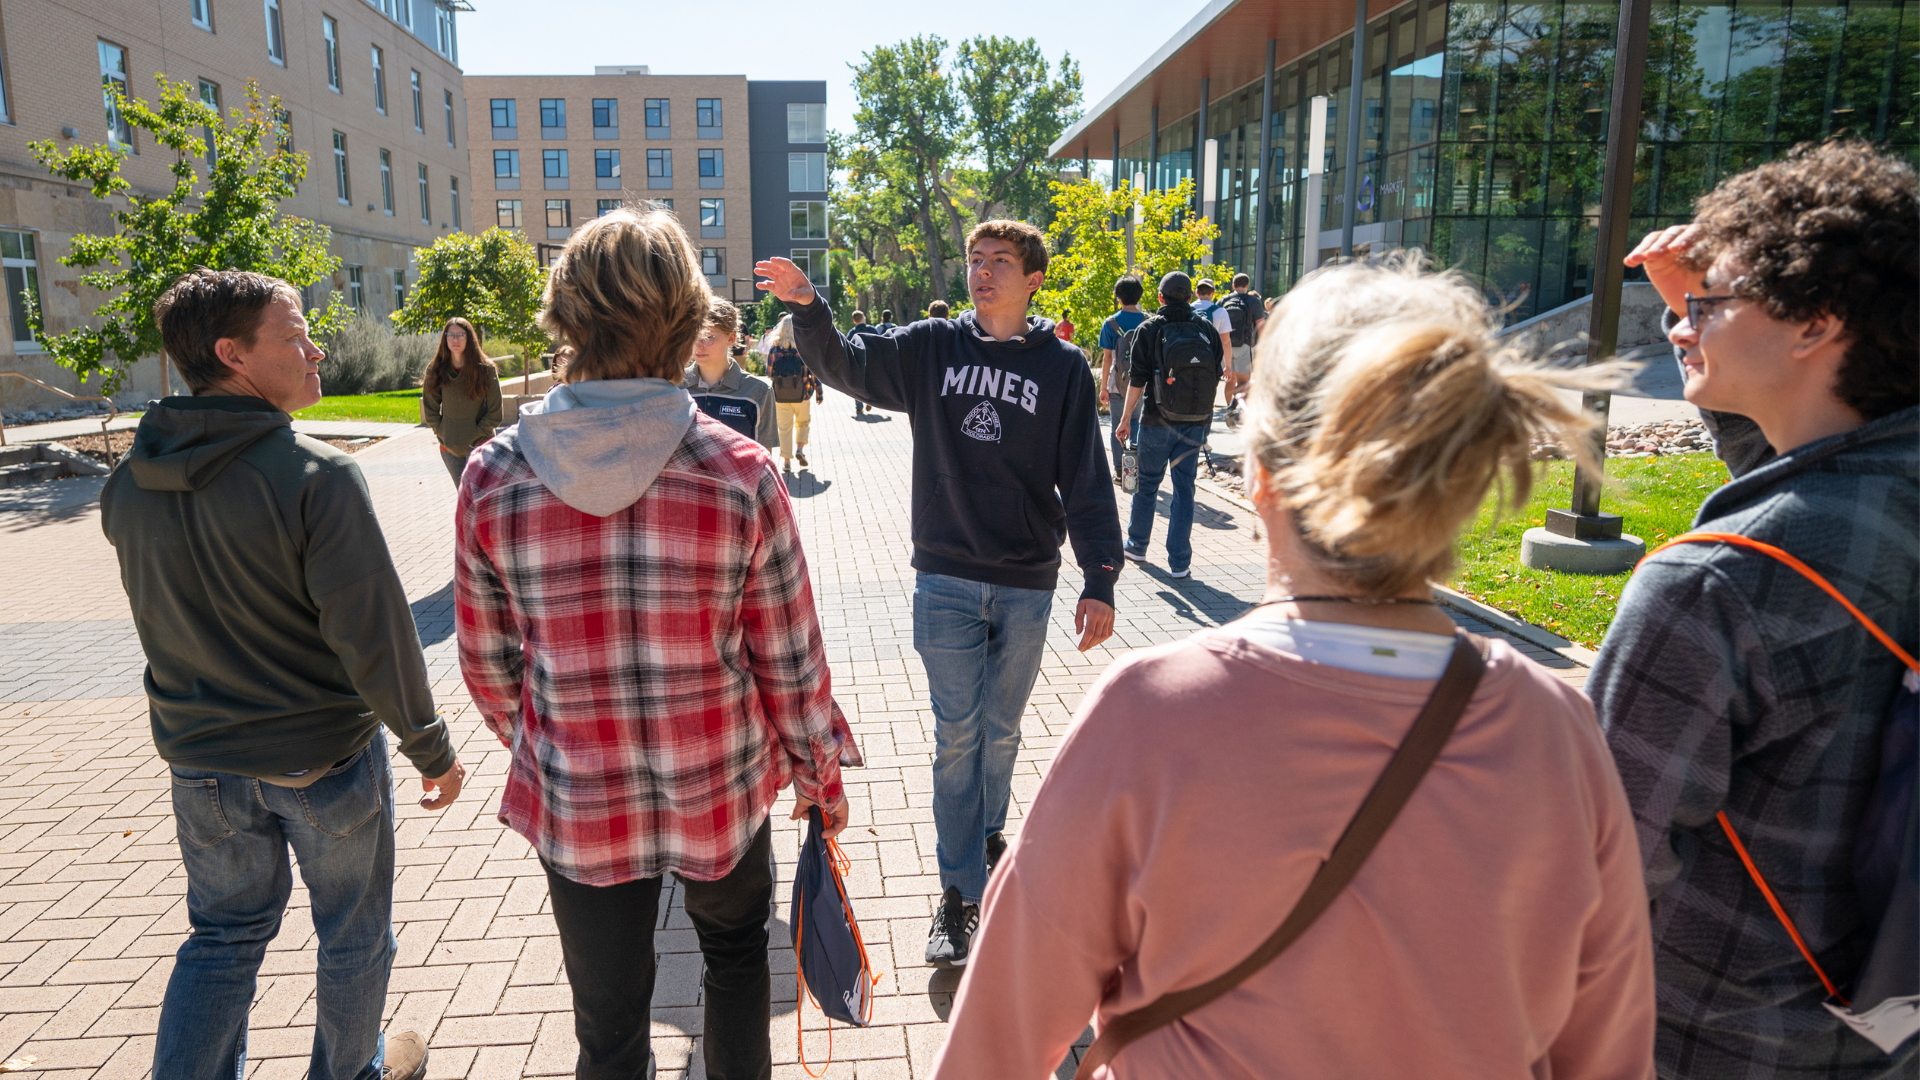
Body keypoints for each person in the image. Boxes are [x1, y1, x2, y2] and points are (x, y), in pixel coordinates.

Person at [932, 258, 1656, 1079]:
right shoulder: (1558, 731)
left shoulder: (1151, 716)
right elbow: (1610, 1054)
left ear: (1264, 475)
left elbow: (998, 1039)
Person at [456, 208, 857, 1080]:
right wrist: (818, 772)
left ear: (564, 315)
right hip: (720, 781)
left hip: (581, 799)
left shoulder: (492, 475)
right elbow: (788, 660)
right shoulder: (739, 472)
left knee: (607, 1028)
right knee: (738, 962)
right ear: (685, 319)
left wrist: (558, 737)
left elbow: (489, 670)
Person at [1590, 140, 1918, 1078]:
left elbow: (1596, 866)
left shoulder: (1711, 587)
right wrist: (1707, 308)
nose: (1683, 327)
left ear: (1816, 322)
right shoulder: (1881, 501)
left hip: (1711, 1035)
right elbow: (1807, 481)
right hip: (1882, 1024)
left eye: (1709, 305)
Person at [103, 268, 466, 1080]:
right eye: (295, 334)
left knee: (223, 937)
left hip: (201, 766)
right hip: (320, 761)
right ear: (232, 353)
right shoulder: (317, 476)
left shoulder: (128, 481)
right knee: (354, 933)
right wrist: (430, 746)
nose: (317, 348)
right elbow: (372, 632)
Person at [756, 218, 1123, 970]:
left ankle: (986, 832)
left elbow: (1086, 477)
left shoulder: (1063, 368)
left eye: (1000, 262)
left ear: (1034, 280)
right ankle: (959, 895)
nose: (983, 272)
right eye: (974, 259)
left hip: (1026, 583)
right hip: (947, 576)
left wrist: (1101, 578)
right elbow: (850, 363)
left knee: (1003, 730)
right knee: (959, 736)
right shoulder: (932, 348)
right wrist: (807, 307)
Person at [1114, 272, 1225, 579]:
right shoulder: (1206, 329)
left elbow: (1138, 378)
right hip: (1194, 423)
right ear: (1190, 297)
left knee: (1147, 485)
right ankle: (1180, 562)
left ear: (1160, 297)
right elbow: (1217, 373)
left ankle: (1137, 544)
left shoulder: (1150, 328)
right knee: (1184, 490)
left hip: (1156, 421)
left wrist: (1125, 420)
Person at [684, 297, 776, 449]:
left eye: (708, 337)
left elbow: (764, 462)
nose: (698, 346)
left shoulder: (758, 392)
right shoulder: (675, 387)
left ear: (731, 338)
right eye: (693, 336)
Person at [421, 317, 504, 484]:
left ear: (470, 338)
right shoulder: (436, 369)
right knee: (464, 499)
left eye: (460, 335)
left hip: (482, 447)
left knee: (483, 498)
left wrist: (475, 434)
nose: (455, 339)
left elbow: (496, 414)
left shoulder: (486, 369)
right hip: (449, 448)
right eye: (450, 335)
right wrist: (443, 433)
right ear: (445, 339)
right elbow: (430, 411)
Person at [1097, 274, 1149, 473]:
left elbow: (1107, 358)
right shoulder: (1148, 321)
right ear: (1139, 296)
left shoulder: (1110, 323)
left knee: (1117, 426)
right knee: (1134, 423)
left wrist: (1103, 388)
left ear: (1118, 297)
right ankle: (1132, 468)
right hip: (1141, 384)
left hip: (1117, 383)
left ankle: (1120, 469)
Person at [763, 314, 817, 470]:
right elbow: (813, 372)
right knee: (803, 423)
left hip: (780, 395)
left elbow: (769, 373)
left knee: (784, 428)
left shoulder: (774, 348)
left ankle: (786, 462)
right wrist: (818, 392)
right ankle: (800, 449)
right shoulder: (804, 347)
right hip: (803, 394)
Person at [1219, 273, 1267, 423]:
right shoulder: (1253, 301)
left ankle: (1228, 409)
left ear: (1233, 286)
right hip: (1244, 345)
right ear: (1247, 285)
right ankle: (1232, 409)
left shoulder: (1223, 300)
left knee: (1229, 380)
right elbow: (1260, 325)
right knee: (1244, 381)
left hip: (1224, 346)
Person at [848, 309, 882, 416]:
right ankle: (869, 399)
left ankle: (859, 407)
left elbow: (847, 347)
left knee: (857, 385)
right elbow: (880, 342)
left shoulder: (852, 332)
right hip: (871, 361)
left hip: (857, 362)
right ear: (864, 318)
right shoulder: (872, 329)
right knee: (870, 382)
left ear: (854, 321)